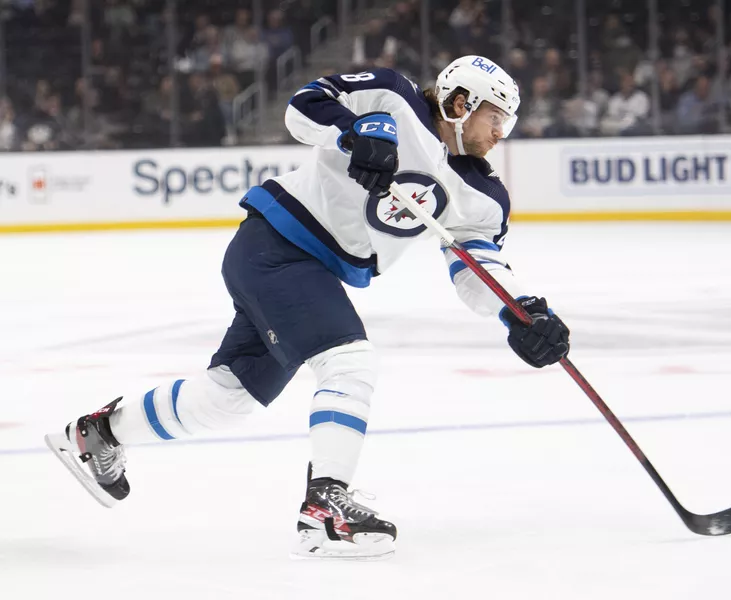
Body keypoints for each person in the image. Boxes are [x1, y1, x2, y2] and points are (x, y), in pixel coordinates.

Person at [45, 56, 571, 560]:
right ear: (460, 102)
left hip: (303, 269)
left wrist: (522, 312)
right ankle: (326, 509)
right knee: (350, 361)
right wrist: (355, 130)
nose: (502, 132)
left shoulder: (482, 193)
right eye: (495, 117)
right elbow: (304, 104)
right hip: (277, 245)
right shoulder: (392, 96)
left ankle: (98, 433)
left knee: (229, 396)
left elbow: (477, 268)